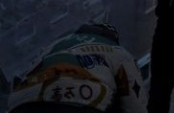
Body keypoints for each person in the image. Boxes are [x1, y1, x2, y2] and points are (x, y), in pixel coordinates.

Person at [7, 23, 147, 112]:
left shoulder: (55, 45)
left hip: (22, 101)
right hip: (79, 101)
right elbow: (135, 102)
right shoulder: (117, 51)